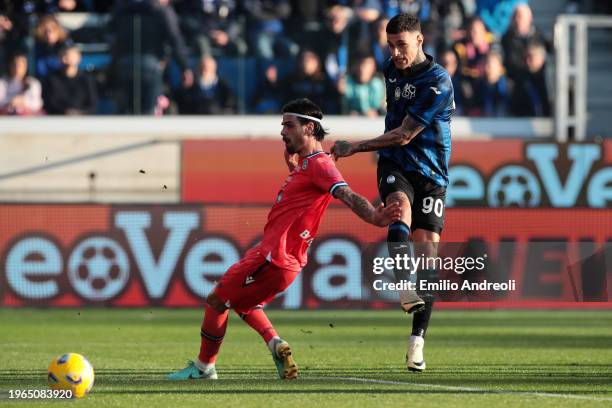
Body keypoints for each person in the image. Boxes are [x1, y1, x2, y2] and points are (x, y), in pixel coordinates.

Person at [167, 98, 401, 380]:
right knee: (243, 303)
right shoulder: (307, 166)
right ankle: (275, 344)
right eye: (282, 126)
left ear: (310, 129)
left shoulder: (320, 165)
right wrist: (294, 168)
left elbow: (347, 194)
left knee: (217, 300)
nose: (282, 132)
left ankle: (204, 368)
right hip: (283, 262)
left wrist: (375, 217)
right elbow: (306, 198)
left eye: (289, 125)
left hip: (273, 257)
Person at [331, 13, 454, 373]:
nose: (396, 52)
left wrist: (356, 147)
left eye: (402, 44)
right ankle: (404, 286)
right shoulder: (390, 70)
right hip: (395, 165)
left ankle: (417, 341)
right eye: (391, 45)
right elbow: (397, 142)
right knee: (398, 209)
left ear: (419, 41)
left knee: (428, 247)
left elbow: (404, 133)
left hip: (432, 173)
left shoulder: (438, 82)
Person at [43, 44, 97, 115]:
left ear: (78, 58)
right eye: (61, 56)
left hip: (83, 121)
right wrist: (66, 112)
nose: (64, 59)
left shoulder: (87, 80)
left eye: (67, 56)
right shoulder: (51, 79)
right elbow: (49, 103)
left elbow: (92, 106)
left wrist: (79, 113)